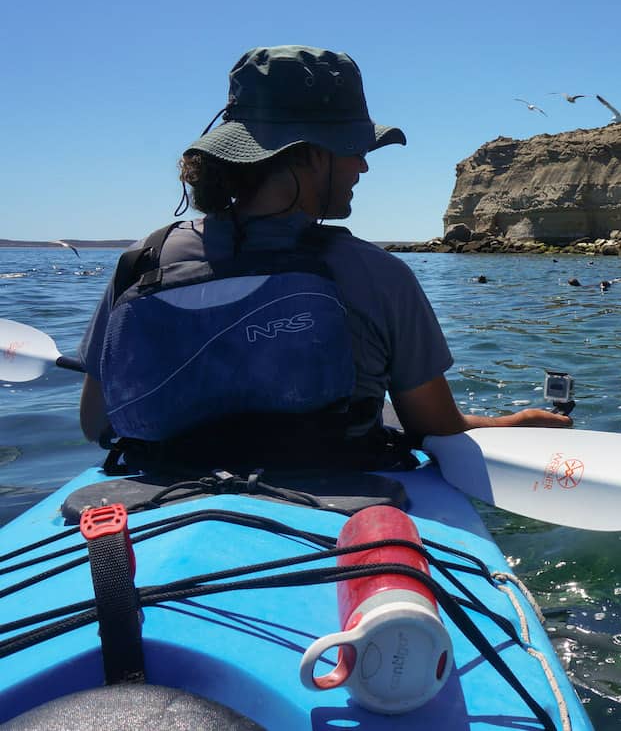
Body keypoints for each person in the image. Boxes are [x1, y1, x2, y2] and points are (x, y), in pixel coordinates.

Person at [77, 45, 568, 471]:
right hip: (337, 500)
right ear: (308, 152)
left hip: (161, 494)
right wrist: (516, 422)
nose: (364, 163)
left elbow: (95, 422)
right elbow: (435, 429)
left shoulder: (148, 257)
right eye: (353, 147)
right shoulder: (379, 276)